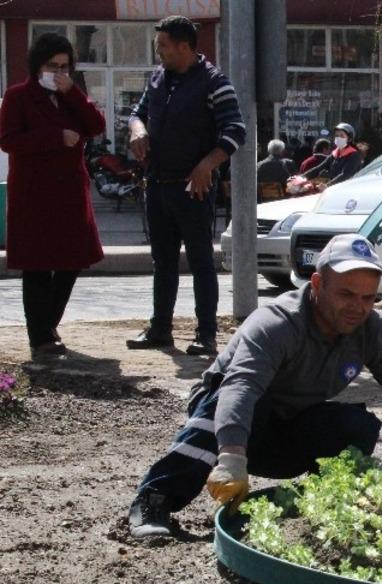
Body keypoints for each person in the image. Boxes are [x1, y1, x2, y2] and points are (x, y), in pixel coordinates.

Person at [127, 234, 382, 539]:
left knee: (357, 426)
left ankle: (317, 502)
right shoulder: (276, 323)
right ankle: (154, 500)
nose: (358, 307)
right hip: (229, 426)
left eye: (368, 298)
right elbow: (240, 388)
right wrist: (232, 456)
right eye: (346, 294)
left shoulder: (373, 331)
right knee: (236, 401)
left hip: (287, 430)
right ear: (318, 284)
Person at [126, 15, 245, 357]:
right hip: (157, 183)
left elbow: (235, 131)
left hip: (194, 188)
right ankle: (160, 329)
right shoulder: (157, 78)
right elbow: (137, 113)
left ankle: (206, 334)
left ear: (184, 47)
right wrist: (138, 130)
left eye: (163, 45)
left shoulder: (214, 82)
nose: (158, 51)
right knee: (162, 261)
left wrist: (208, 164)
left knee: (200, 261)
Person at [0, 33, 105, 361]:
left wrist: (72, 93)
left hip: (70, 194)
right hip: (34, 194)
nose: (58, 72)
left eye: (64, 66)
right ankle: (40, 337)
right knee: (37, 266)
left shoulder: (71, 94)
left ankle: (48, 324)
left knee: (72, 261)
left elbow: (96, 125)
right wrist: (55, 137)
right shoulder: (18, 96)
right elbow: (9, 141)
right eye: (52, 66)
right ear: (37, 66)